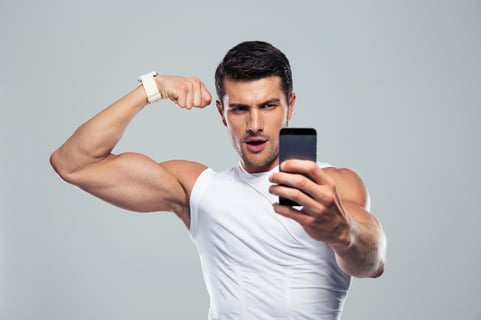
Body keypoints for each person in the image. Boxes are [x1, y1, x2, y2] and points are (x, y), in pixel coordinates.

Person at [50, 40, 386, 319]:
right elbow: (73, 163)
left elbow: (373, 262)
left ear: (290, 106)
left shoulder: (331, 186)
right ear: (222, 114)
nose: (254, 124)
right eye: (240, 109)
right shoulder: (200, 189)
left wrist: (342, 230)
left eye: (268, 106)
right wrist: (153, 88)